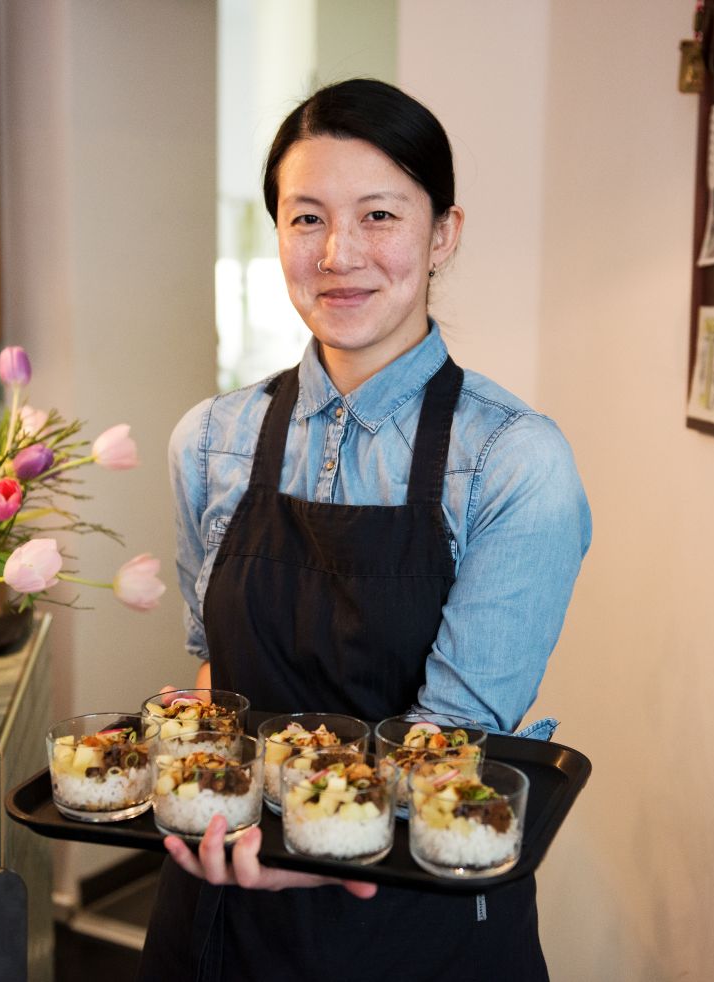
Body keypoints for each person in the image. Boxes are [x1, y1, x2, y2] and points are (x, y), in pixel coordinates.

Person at [140, 78, 592, 981]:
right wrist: (193, 747)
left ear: (443, 234)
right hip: (224, 905)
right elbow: (219, 675)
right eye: (306, 218)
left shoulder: (514, 460)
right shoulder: (210, 441)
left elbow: (449, 743)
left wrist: (303, 841)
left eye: (379, 215)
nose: (338, 253)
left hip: (422, 922)